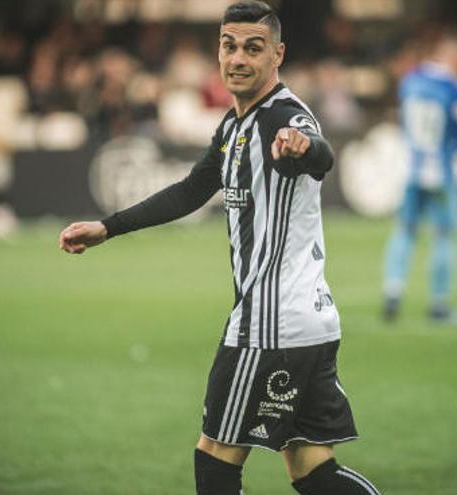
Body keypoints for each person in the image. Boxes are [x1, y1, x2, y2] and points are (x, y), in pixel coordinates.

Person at [59, 2, 382, 493]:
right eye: (229, 46)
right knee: (313, 470)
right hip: (306, 322)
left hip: (268, 326)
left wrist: (304, 148)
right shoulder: (234, 127)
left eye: (253, 48)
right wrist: (108, 227)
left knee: (215, 461)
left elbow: (320, 153)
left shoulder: (283, 117)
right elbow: (190, 191)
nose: (237, 58)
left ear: (278, 54)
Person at [381, 36, 457, 325]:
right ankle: (439, 304)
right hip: (441, 172)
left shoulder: (410, 81)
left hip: (412, 168)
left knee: (404, 230)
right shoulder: (453, 89)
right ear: (455, 59)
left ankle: (393, 290)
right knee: (444, 235)